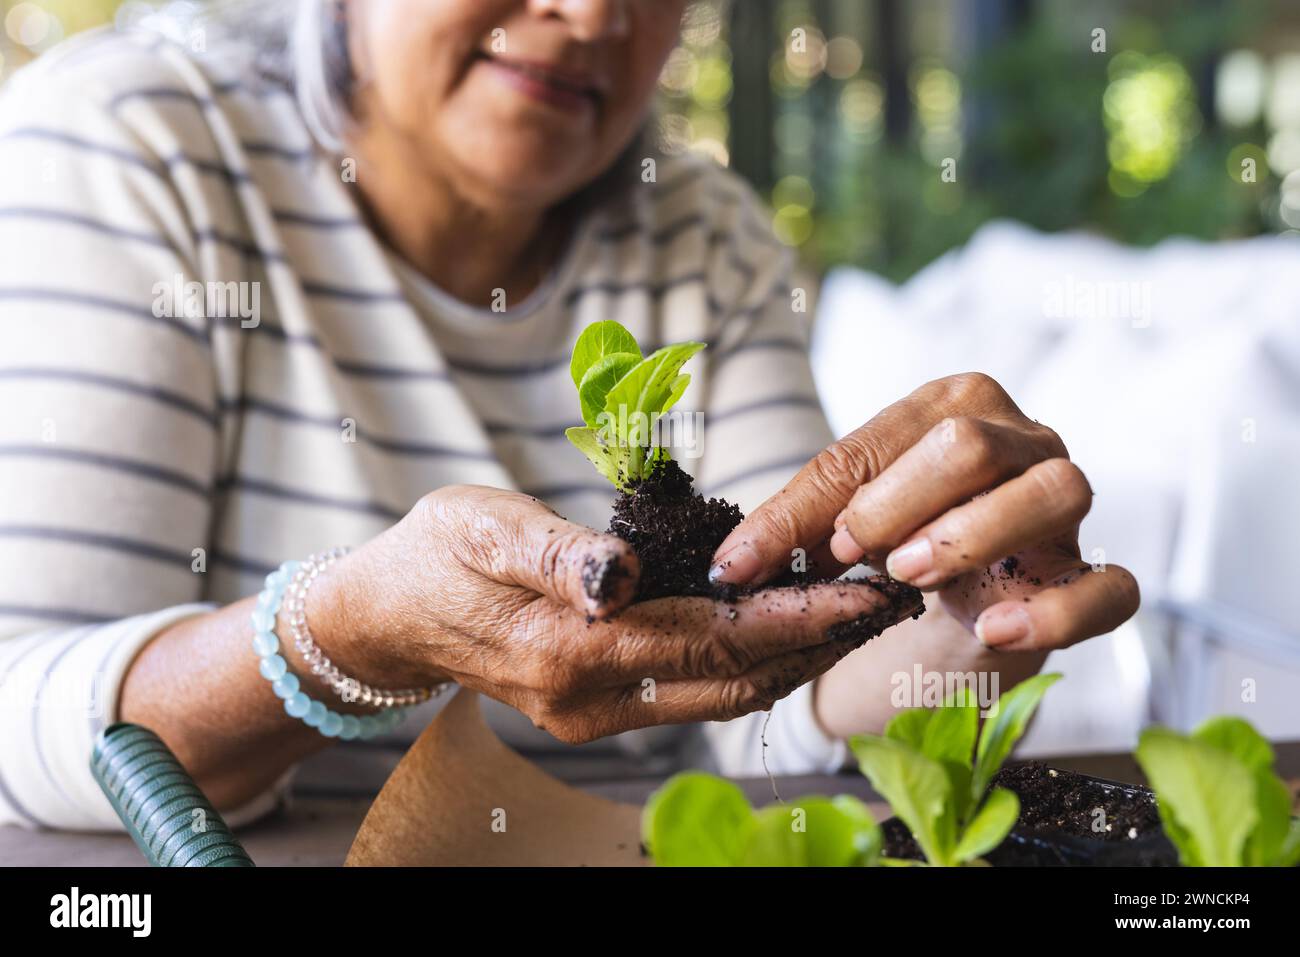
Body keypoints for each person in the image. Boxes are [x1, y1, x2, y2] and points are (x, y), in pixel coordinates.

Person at [0, 0, 1138, 831]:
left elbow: (779, 723)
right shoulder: (129, 146)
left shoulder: (702, 233)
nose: (592, 13)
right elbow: (23, 712)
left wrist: (953, 613)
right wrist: (343, 637)